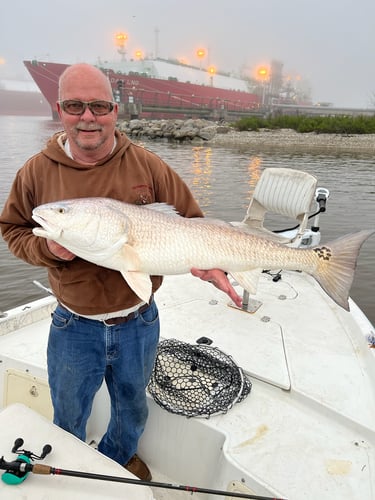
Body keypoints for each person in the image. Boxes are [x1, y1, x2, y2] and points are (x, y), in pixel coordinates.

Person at [0, 63, 242, 481]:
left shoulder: (148, 165)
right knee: (70, 410)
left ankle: (118, 459)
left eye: (98, 106)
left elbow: (192, 222)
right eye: (75, 106)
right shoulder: (36, 172)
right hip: (73, 325)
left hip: (138, 321)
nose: (87, 117)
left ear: (115, 110)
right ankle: (75, 472)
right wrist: (49, 248)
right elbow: (13, 228)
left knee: (132, 407)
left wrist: (211, 261)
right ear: (60, 110)